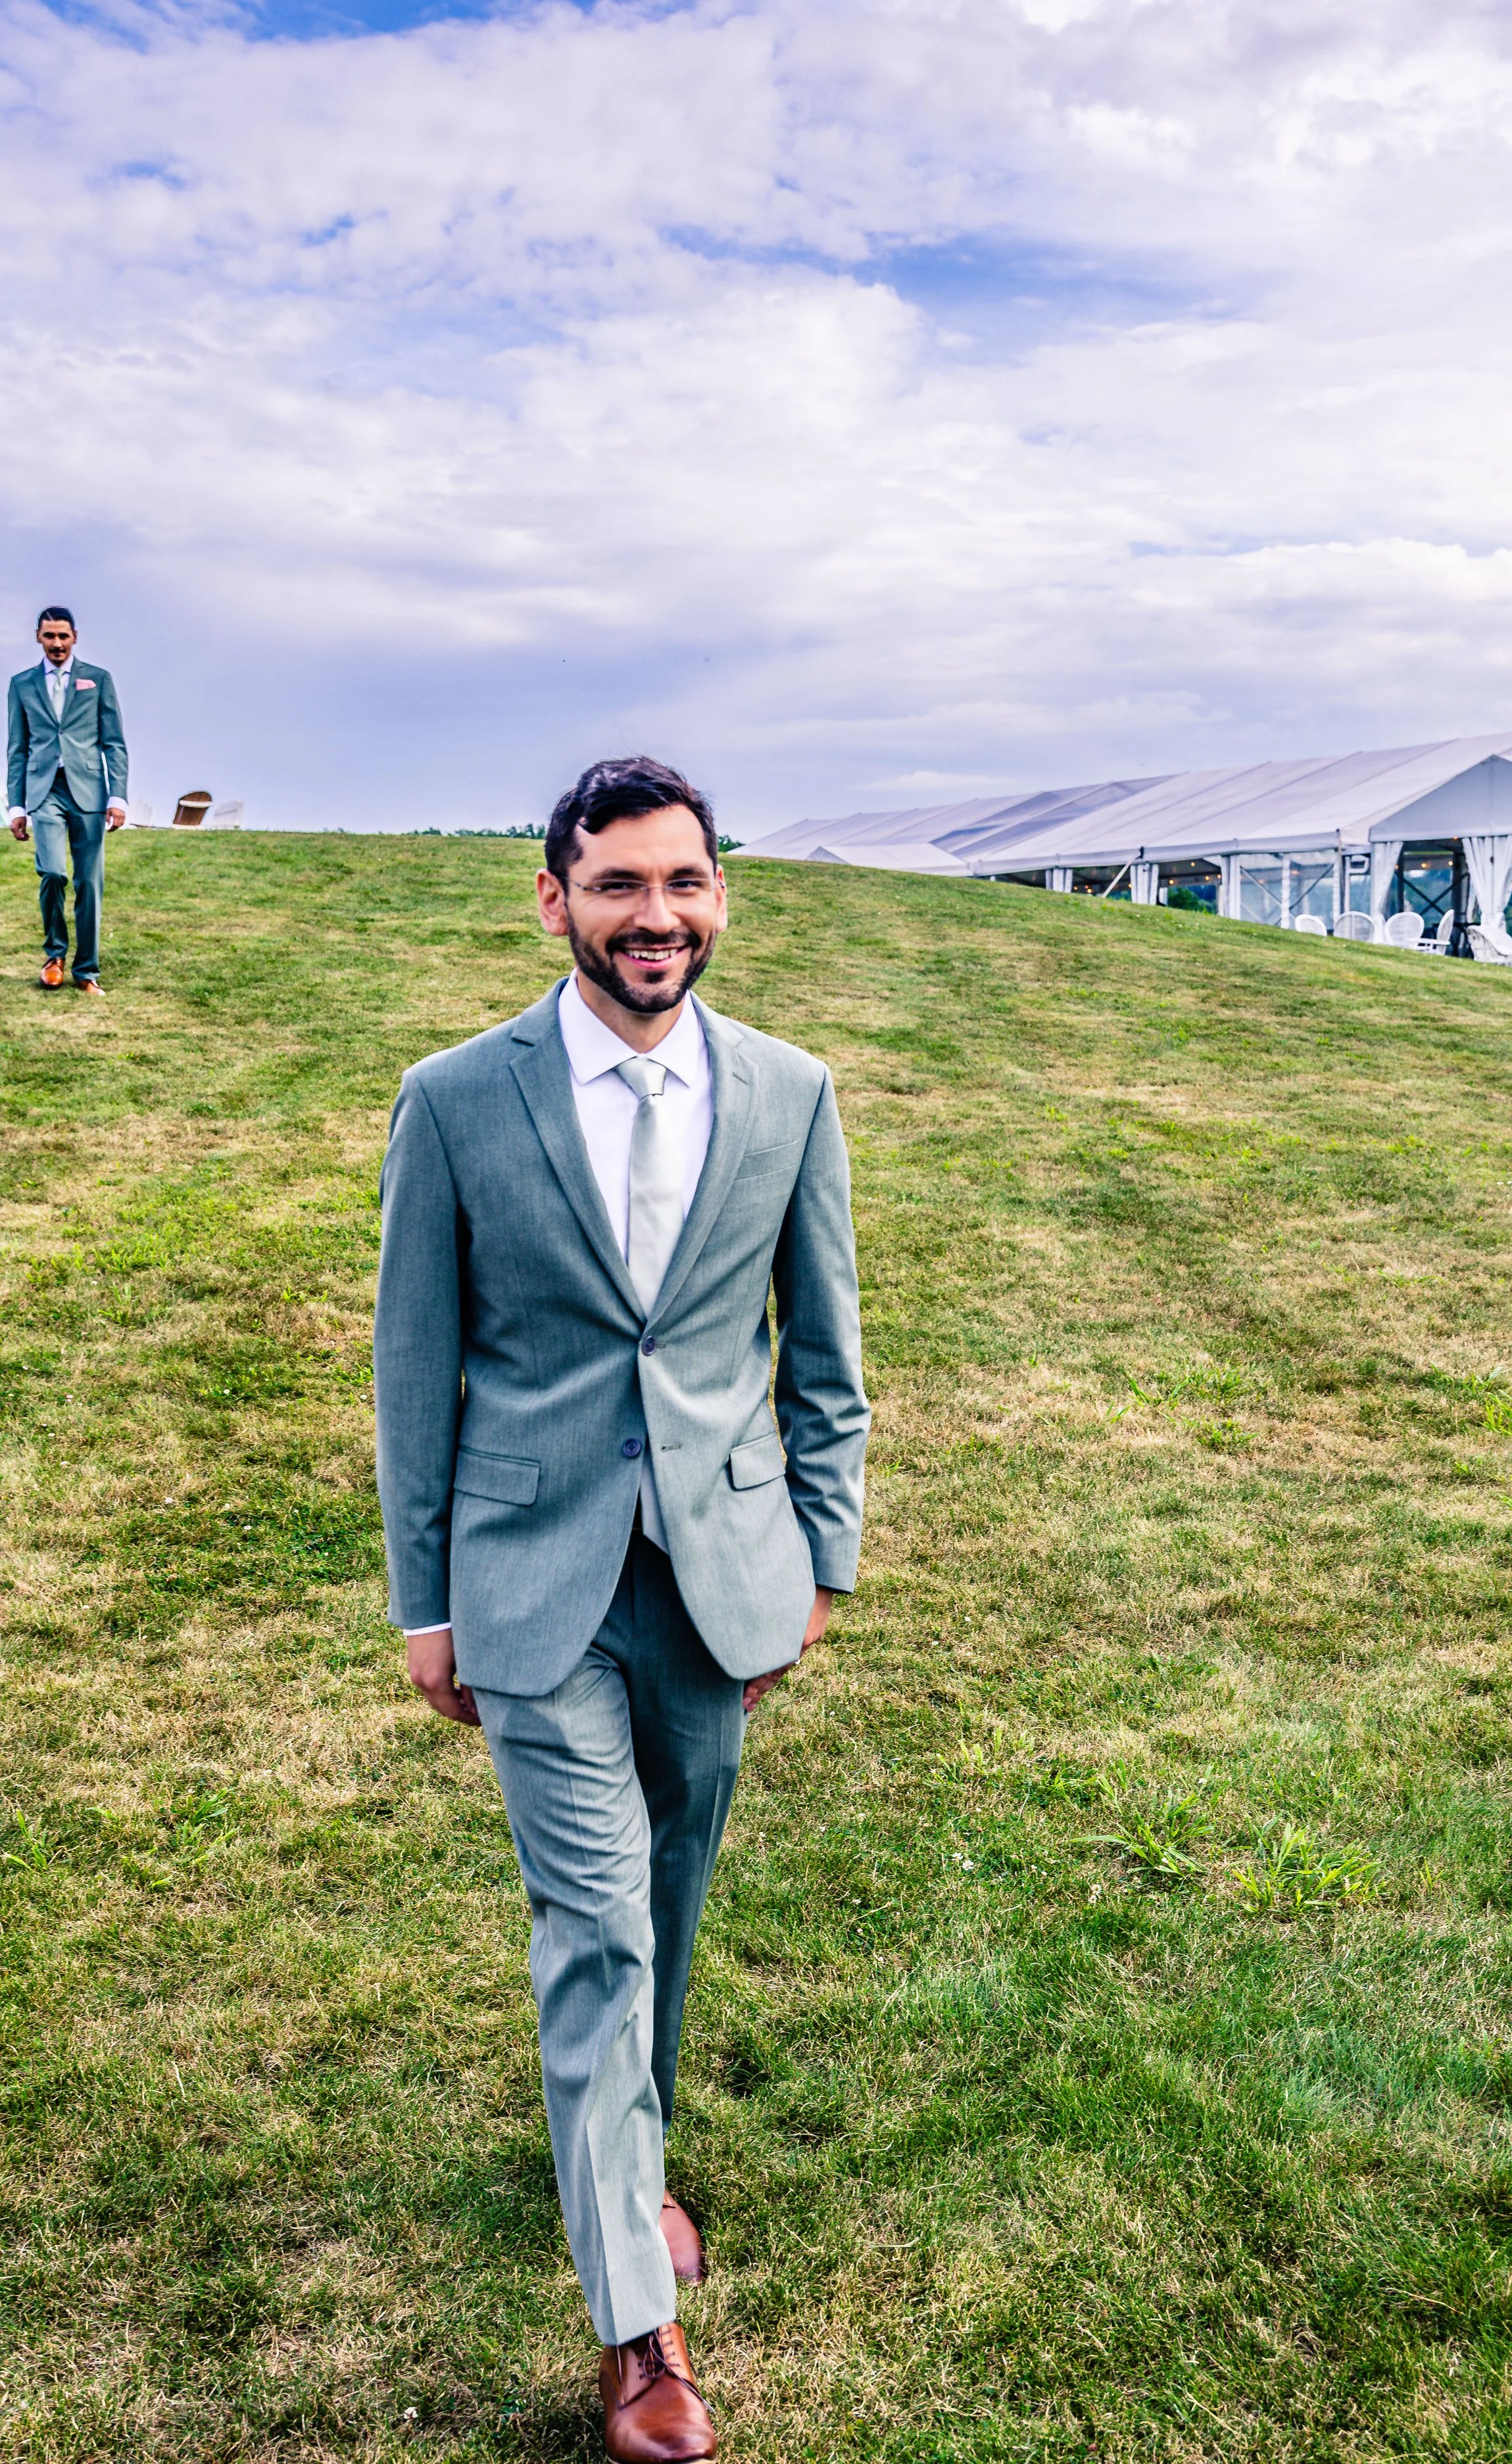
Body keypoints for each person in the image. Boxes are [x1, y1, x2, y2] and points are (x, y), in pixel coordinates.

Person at [374, 756, 869, 2461]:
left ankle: (624, 2164)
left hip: (720, 1581)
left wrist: (824, 1555)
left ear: (720, 891)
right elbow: (413, 1367)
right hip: (533, 1582)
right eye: (617, 884)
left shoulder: (793, 1093)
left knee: (668, 1893)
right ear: (553, 899)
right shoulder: (454, 1099)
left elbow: (828, 1361)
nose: (654, 915)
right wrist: (421, 1598)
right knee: (592, 1922)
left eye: (683, 882)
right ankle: (635, 2331)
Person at [7, 607, 128, 996]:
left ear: (75, 636)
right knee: (54, 873)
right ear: (38, 638)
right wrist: (16, 806)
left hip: (90, 791)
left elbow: (114, 743)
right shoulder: (21, 684)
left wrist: (118, 796)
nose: (57, 643)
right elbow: (17, 749)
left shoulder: (98, 679)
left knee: (90, 882)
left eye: (63, 636)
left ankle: (86, 970)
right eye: (49, 636)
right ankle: (55, 956)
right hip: (44, 791)